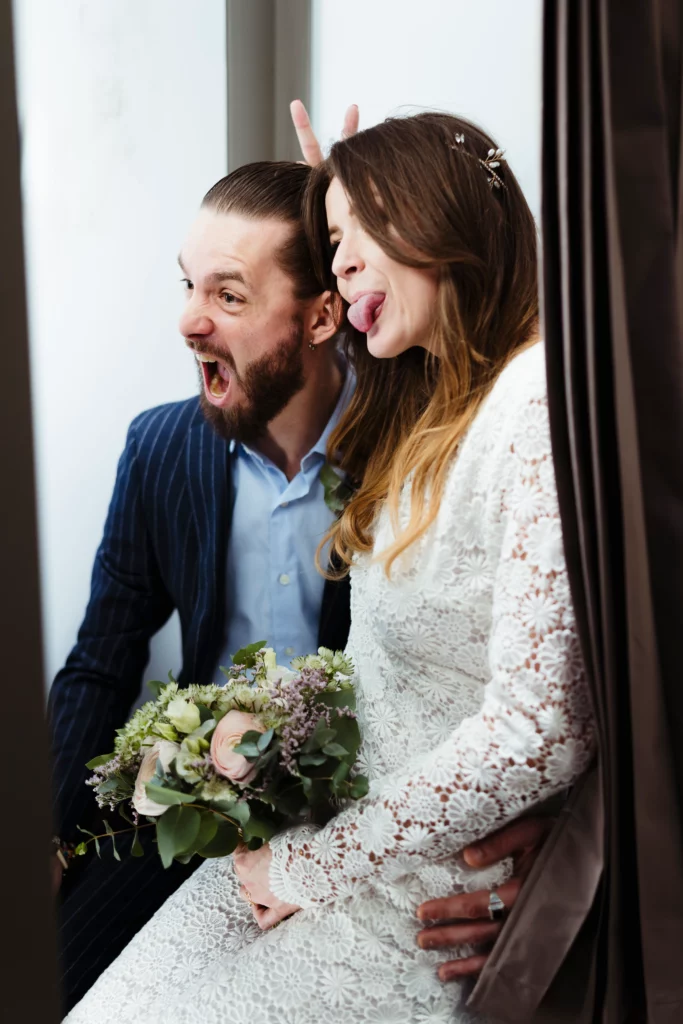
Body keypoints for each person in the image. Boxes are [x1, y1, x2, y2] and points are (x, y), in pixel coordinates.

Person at [62, 110, 594, 1024]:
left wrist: (570, 856)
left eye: (358, 234)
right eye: (332, 247)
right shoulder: (424, 412)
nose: (342, 266)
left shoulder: (522, 401)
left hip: (386, 866)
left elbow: (546, 720)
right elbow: (98, 662)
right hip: (276, 821)